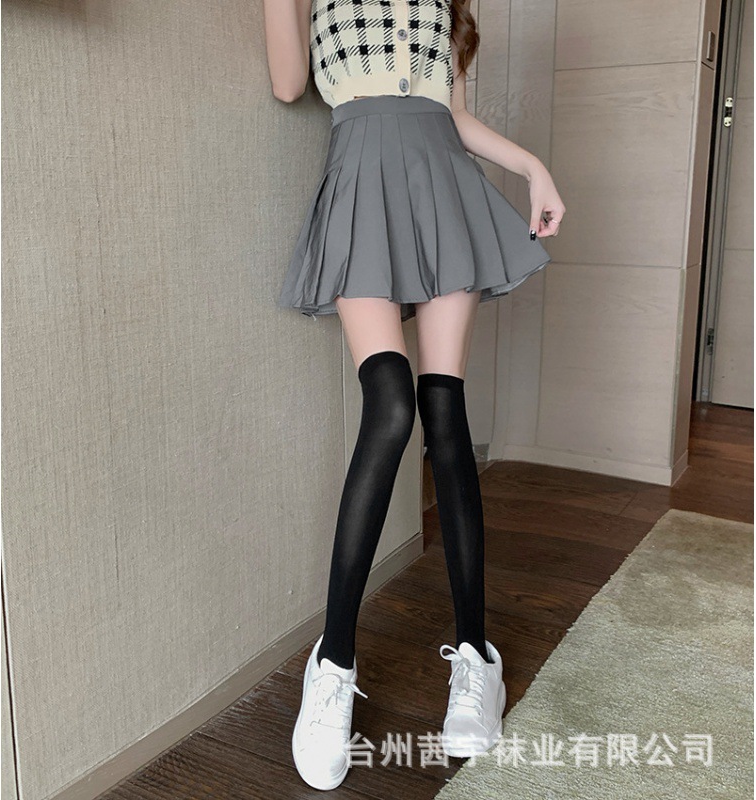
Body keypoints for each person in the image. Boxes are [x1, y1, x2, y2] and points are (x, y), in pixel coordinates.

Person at [263, 0, 566, 790]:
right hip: (360, 189)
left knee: (444, 415)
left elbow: (453, 116)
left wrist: (532, 166)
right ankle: (333, 663)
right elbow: (289, 83)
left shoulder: (444, 6)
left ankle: (476, 659)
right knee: (391, 406)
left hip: (442, 191)